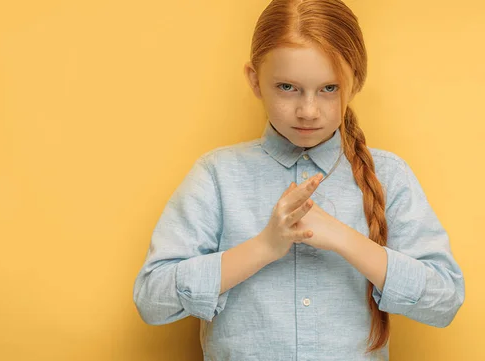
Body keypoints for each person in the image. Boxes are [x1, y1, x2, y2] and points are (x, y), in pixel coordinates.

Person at [132, 0, 465, 360]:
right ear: (254, 80)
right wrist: (263, 247)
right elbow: (152, 299)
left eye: (329, 88)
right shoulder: (217, 174)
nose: (308, 111)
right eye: (287, 87)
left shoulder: (390, 175)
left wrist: (344, 238)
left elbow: (444, 300)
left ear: (356, 83)